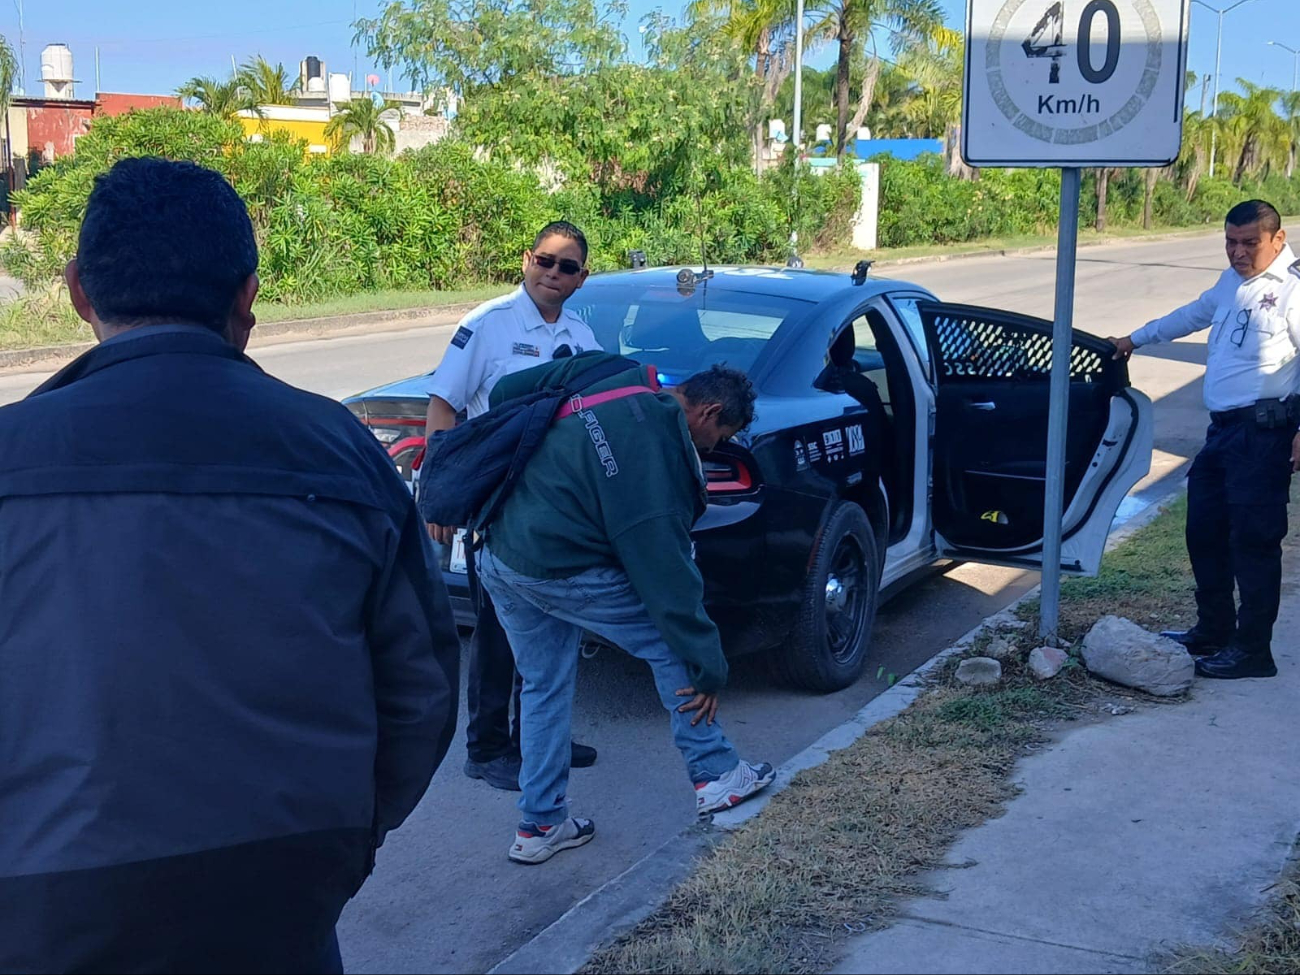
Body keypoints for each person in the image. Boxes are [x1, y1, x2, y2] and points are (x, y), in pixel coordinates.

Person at [0, 158, 460, 973]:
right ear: (247, 296)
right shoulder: (342, 449)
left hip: (46, 904)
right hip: (285, 893)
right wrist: (340, 838)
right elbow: (420, 691)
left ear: (78, 292)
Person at [476, 352, 774, 865]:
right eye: (721, 437)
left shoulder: (615, 374)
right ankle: (716, 774)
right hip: (560, 564)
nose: (715, 448)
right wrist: (708, 667)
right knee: (672, 646)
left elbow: (505, 392)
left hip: (500, 552)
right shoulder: (661, 458)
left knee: (543, 685)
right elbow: (668, 581)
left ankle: (541, 824)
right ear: (709, 412)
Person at [425, 221, 599, 790]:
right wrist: (443, 495)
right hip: (496, 500)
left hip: (555, 506)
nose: (553, 273)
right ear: (526, 260)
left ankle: (537, 735)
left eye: (566, 267)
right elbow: (444, 406)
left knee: (549, 623)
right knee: (499, 631)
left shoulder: (579, 333)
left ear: (581, 277)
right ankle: (487, 747)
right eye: (545, 261)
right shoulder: (488, 325)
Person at [1109, 199, 1300, 680]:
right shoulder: (1232, 280)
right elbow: (1194, 314)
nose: (1238, 252)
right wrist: (1136, 339)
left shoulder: (1294, 288)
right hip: (1223, 433)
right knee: (1205, 532)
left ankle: (1253, 650)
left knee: (1254, 542)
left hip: (1266, 433)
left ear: (1277, 239)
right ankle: (1213, 630)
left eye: (1249, 243)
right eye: (1231, 242)